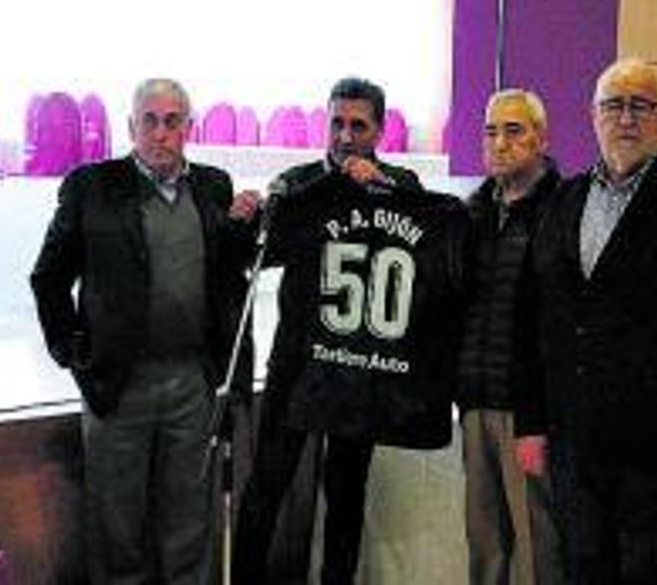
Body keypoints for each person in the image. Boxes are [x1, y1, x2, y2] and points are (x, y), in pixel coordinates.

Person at [514, 58, 657, 583]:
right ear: (593, 117)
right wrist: (530, 422)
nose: (626, 118)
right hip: (573, 442)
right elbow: (534, 318)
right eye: (613, 105)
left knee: (652, 573)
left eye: (640, 105)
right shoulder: (563, 200)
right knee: (584, 569)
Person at [233, 77, 470, 585]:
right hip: (298, 362)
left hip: (362, 368)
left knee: (345, 491)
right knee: (267, 483)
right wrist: (255, 216)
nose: (344, 135)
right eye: (336, 122)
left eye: (358, 125)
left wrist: (378, 187)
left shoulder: (402, 184)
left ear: (379, 131)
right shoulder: (297, 182)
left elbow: (430, 249)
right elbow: (258, 257)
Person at [31, 78, 251, 584]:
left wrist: (245, 224)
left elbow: (227, 270)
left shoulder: (214, 187)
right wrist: (74, 353)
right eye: (148, 121)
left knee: (188, 528)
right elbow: (48, 279)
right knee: (116, 531)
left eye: (172, 121)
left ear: (188, 129)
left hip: (191, 385)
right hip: (118, 385)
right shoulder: (92, 187)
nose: (160, 133)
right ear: (131, 127)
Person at [457, 88, 562, 585]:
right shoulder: (471, 214)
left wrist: (539, 415)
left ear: (541, 138)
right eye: (490, 131)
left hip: (532, 412)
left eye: (514, 131)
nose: (500, 143)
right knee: (484, 541)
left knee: (536, 547)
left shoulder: (562, 212)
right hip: (475, 399)